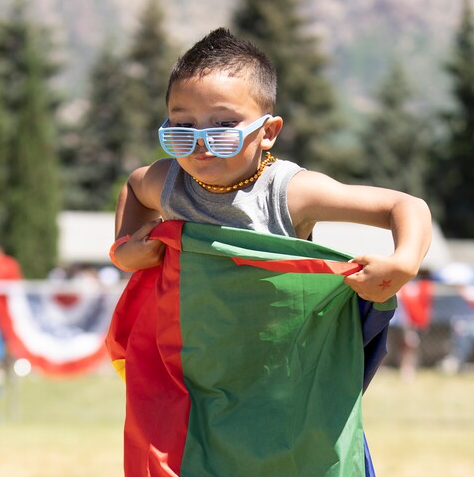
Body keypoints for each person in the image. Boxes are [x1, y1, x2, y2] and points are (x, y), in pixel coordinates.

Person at [112, 27, 431, 300]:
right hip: (193, 357)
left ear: (267, 132)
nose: (200, 141)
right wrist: (125, 251)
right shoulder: (168, 181)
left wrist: (404, 262)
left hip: (277, 361)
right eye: (183, 126)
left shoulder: (289, 193)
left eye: (223, 126)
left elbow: (406, 205)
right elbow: (135, 186)